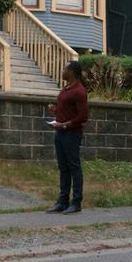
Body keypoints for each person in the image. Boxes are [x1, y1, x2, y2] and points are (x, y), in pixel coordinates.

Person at [46, 61, 89, 214]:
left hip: (71, 134)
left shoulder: (79, 91)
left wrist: (64, 125)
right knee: (63, 168)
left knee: (74, 167)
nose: (62, 70)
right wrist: (55, 111)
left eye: (64, 68)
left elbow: (83, 116)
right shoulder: (65, 89)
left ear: (71, 72)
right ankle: (62, 201)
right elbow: (66, 111)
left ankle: (76, 202)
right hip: (60, 132)